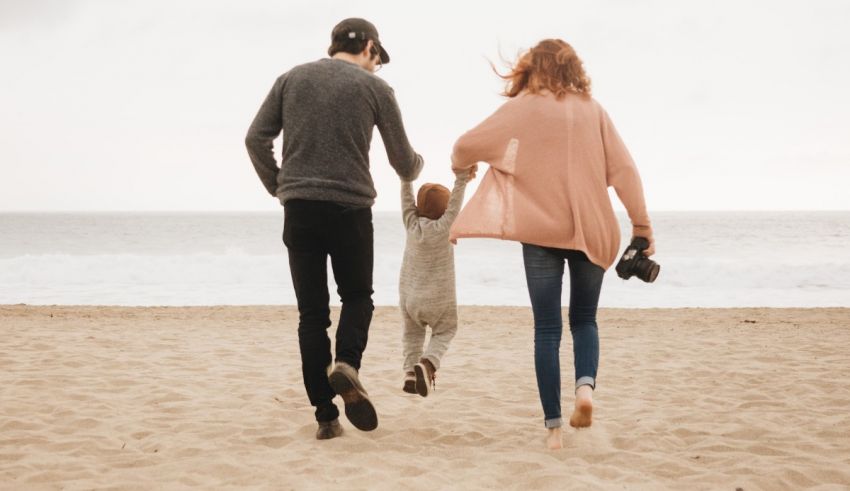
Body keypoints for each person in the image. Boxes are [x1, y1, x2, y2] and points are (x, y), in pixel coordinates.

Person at [448, 39, 655, 450]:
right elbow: (625, 171)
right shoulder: (593, 111)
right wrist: (642, 226)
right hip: (593, 233)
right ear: (574, 69)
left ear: (532, 68)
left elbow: (464, 146)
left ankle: (554, 431)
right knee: (585, 321)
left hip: (542, 236)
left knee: (547, 328)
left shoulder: (523, 107)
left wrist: (462, 168)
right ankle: (585, 393)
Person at [244, 18, 423, 440]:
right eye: (378, 61)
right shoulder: (375, 88)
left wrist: (280, 186)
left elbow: (255, 139)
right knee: (358, 297)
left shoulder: (291, 79)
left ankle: (325, 414)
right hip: (351, 209)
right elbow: (403, 163)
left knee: (312, 314)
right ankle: (347, 364)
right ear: (371, 49)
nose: (378, 68)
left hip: (300, 208)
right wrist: (420, 165)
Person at [398, 169, 473, 397]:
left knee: (412, 334)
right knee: (446, 330)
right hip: (439, 299)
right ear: (444, 210)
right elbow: (456, 205)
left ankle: (411, 374)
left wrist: (406, 177)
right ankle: (428, 364)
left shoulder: (411, 224)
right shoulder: (444, 227)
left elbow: (406, 200)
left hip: (410, 298)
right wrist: (462, 179)